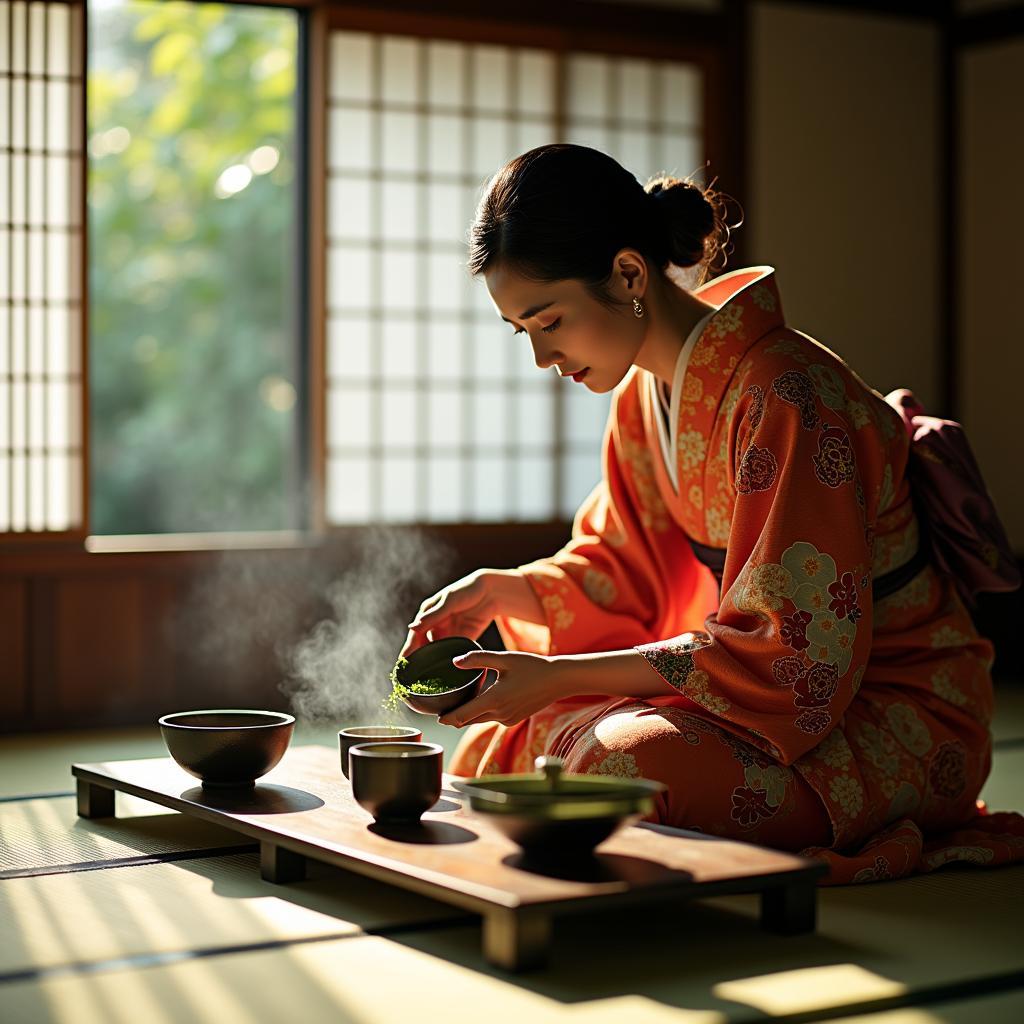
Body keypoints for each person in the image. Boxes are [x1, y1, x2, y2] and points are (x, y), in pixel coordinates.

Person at [400, 144, 1024, 883]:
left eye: (550, 322)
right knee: (506, 745)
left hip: (895, 712)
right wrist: (511, 590)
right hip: (774, 699)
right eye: (524, 332)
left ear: (630, 275)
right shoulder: (642, 396)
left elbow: (790, 654)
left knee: (611, 765)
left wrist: (558, 675)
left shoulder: (788, 395)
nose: (543, 359)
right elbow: (626, 571)